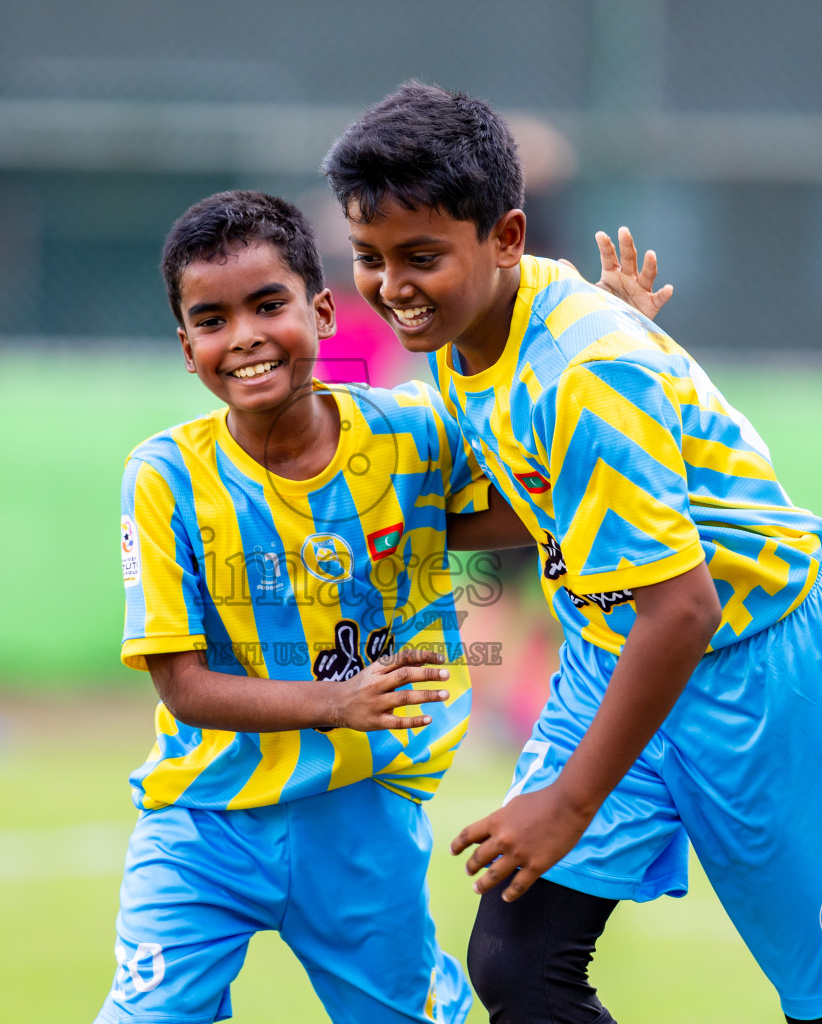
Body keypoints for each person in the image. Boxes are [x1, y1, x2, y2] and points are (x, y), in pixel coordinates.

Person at [325, 82, 822, 1023]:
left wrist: (567, 803)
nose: (392, 287)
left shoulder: (586, 373)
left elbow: (685, 607)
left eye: (419, 257)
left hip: (761, 666)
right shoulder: (468, 331)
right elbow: (540, 506)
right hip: (618, 650)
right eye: (369, 258)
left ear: (507, 237)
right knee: (518, 963)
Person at [101, 189, 517, 1024]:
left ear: (323, 311)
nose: (246, 336)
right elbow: (181, 687)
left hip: (361, 822)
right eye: (212, 319)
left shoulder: (413, 435)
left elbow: (532, 500)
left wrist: (612, 354)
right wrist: (339, 701)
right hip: (203, 825)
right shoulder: (165, 477)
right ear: (188, 348)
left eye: (268, 305)